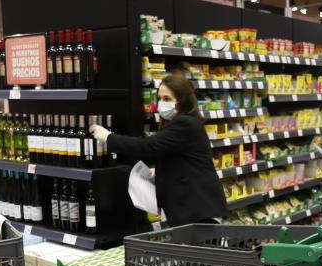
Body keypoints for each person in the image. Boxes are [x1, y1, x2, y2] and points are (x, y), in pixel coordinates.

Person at [90, 74, 228, 226]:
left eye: (167, 99)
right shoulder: (180, 123)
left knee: (197, 250)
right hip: (190, 210)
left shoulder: (185, 123)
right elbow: (180, 157)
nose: (162, 103)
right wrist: (162, 171)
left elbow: (149, 146)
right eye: (160, 98)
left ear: (182, 101)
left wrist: (109, 137)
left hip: (197, 210)